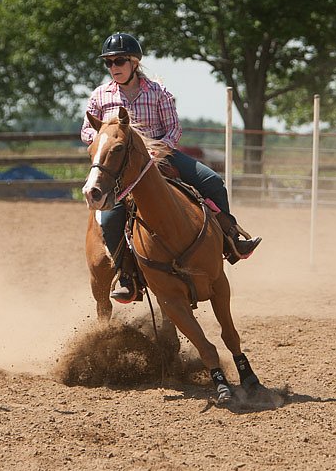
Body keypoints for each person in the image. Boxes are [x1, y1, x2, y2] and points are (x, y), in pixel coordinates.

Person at [81, 32, 261, 303]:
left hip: (162, 158)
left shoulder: (157, 92)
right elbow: (86, 131)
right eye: (109, 62)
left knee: (212, 181)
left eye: (119, 61)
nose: (114, 67)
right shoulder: (100, 96)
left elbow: (174, 129)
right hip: (122, 168)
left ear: (134, 62)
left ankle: (231, 239)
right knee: (109, 217)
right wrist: (105, 144)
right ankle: (126, 274)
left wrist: (158, 149)